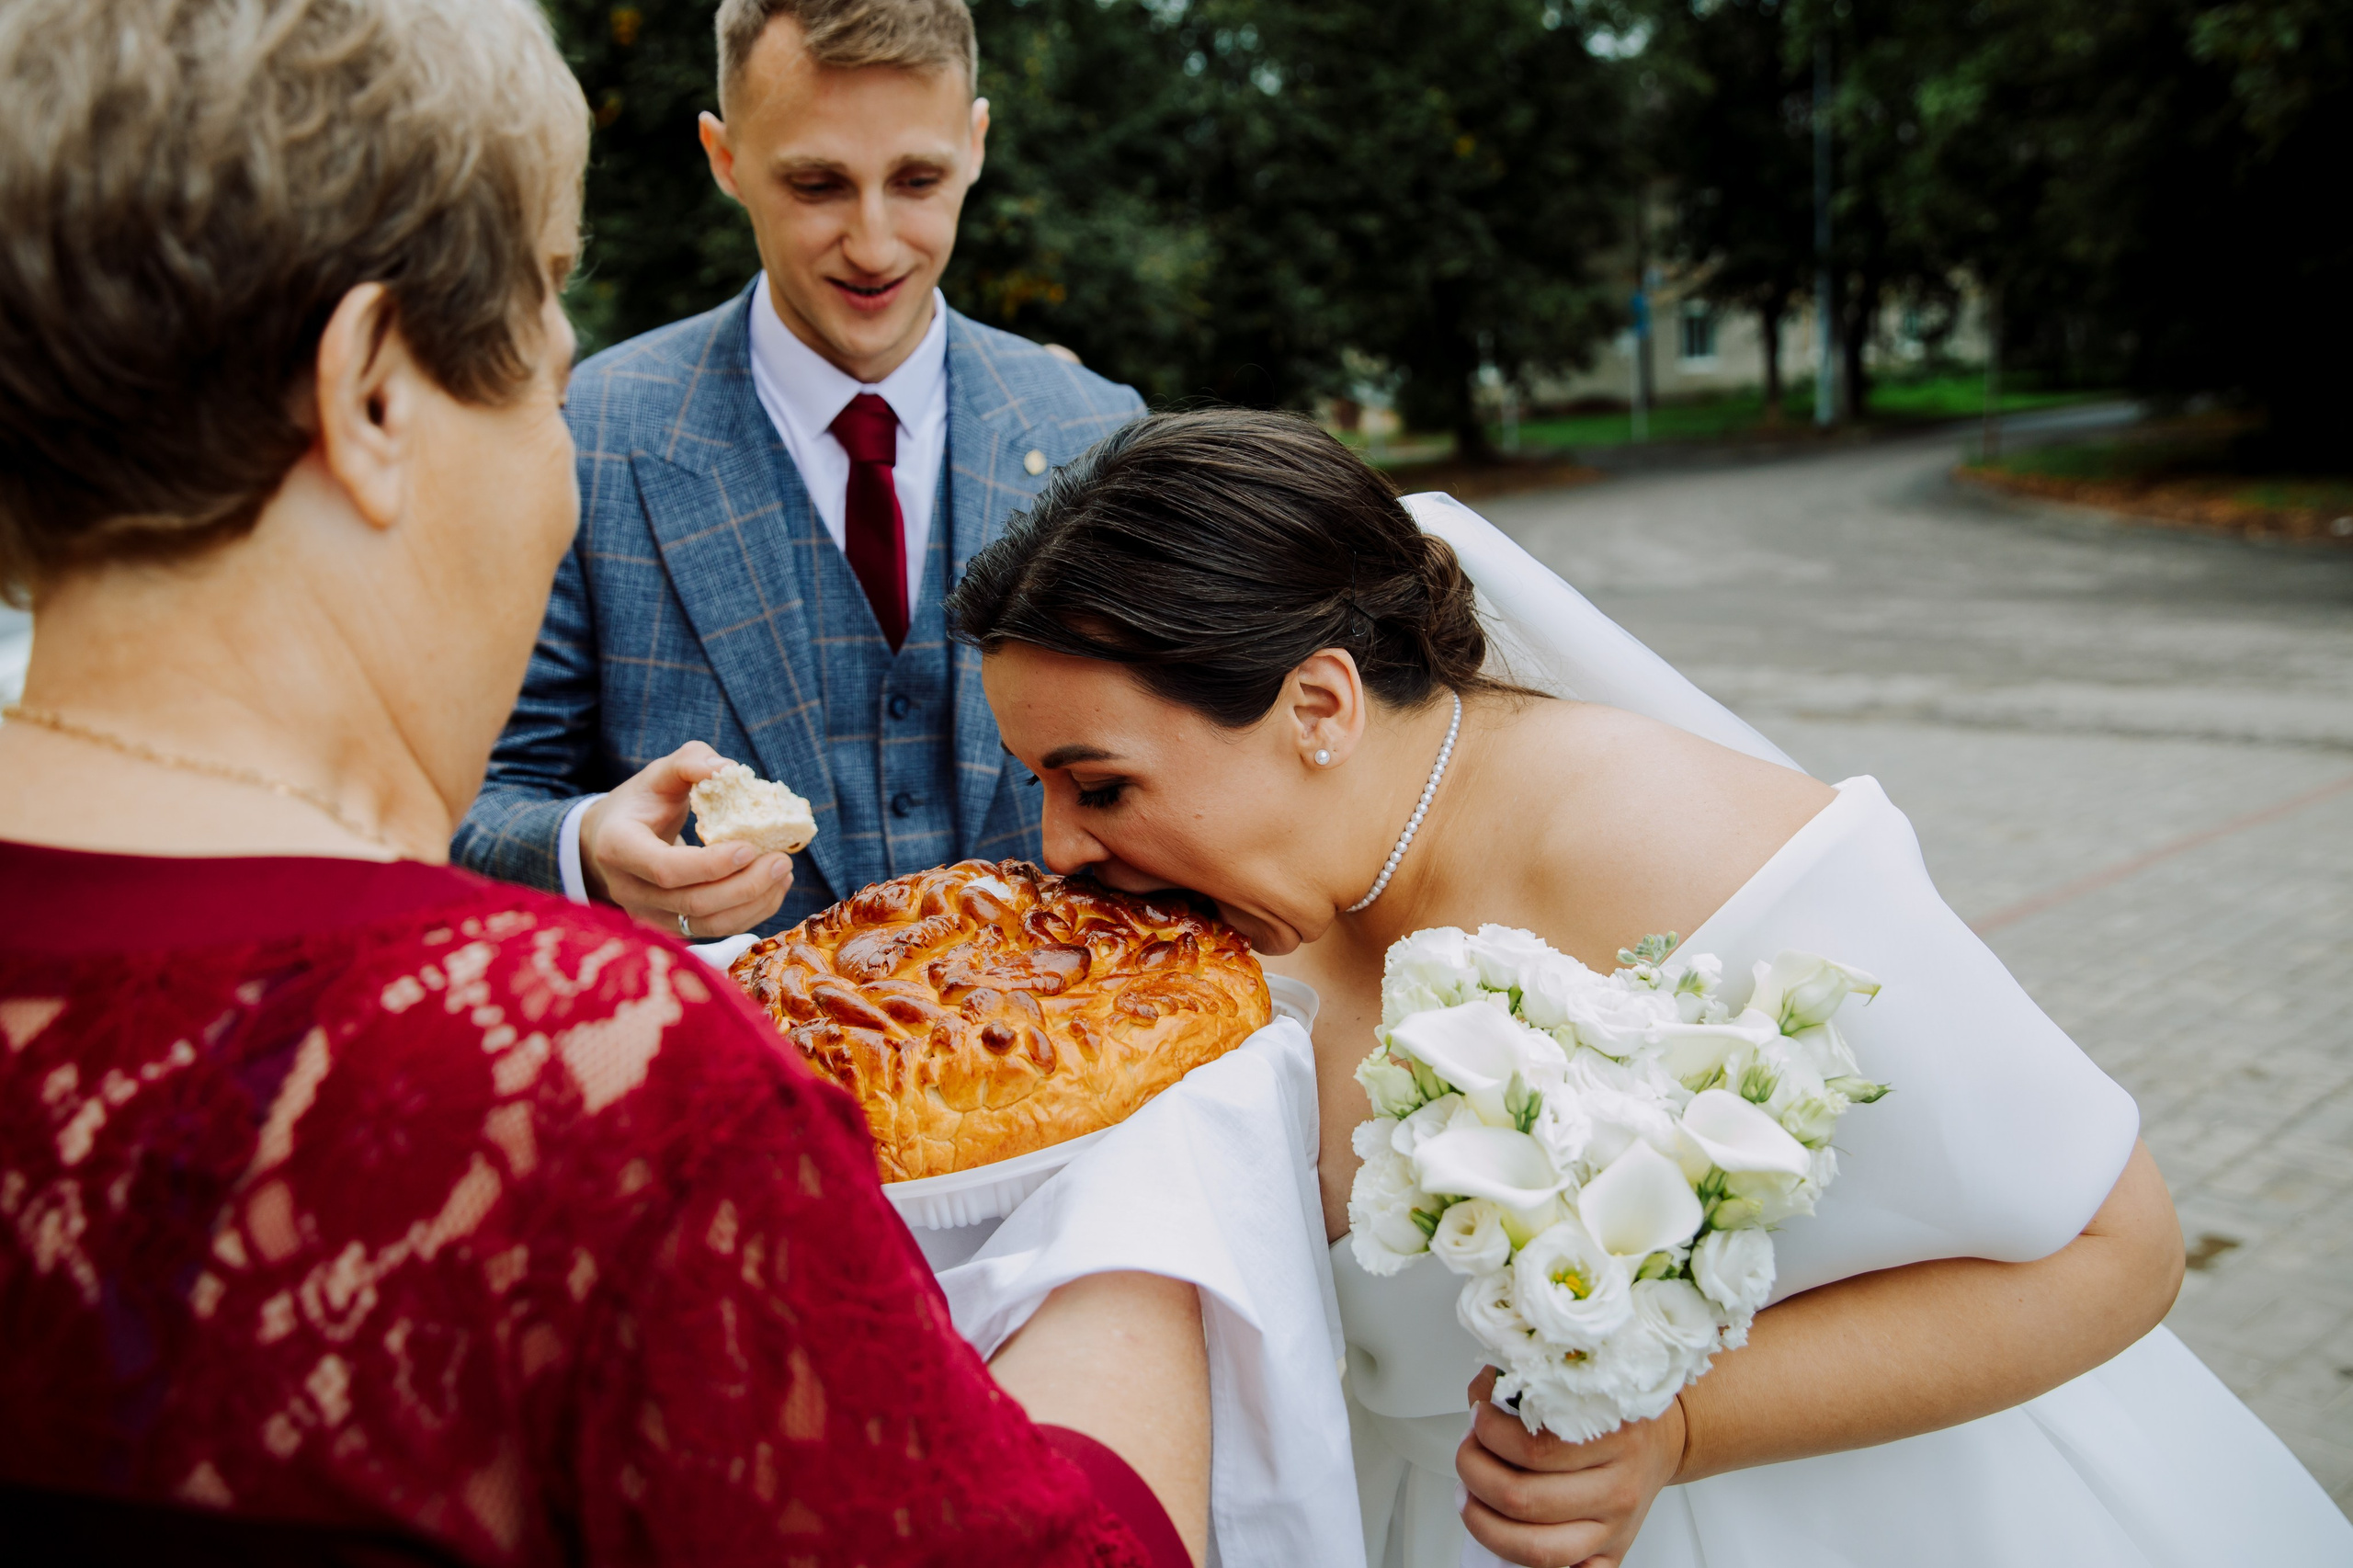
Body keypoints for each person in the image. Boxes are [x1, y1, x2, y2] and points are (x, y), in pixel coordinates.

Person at [0, 3, 1208, 1562]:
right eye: (543, 318)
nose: (564, 398)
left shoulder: (1085, 418)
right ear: (375, 388)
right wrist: (1166, 1227)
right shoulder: (616, 1081)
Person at [945, 408, 2353, 1568]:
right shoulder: (1227, 921)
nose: (1062, 847)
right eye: (1043, 786)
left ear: (1319, 706)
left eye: (1102, 783)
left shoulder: (1667, 844)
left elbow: (2123, 1247)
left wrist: (1678, 1431)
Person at [452, 0, 1140, 944]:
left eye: (917, 178)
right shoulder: (588, 434)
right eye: (817, 184)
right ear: (724, 158)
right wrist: (585, 846)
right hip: (715, 1069)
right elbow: (469, 801)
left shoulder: (1102, 431)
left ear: (975, 144)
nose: (873, 242)